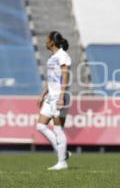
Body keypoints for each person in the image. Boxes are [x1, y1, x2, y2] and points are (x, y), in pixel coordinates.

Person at [36, 31, 72, 170]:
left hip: (59, 96)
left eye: (47, 39)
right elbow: (51, 79)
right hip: (50, 97)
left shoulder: (63, 56)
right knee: (40, 126)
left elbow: (65, 76)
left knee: (57, 129)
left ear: (52, 41)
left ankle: (62, 162)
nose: (45, 42)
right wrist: (42, 94)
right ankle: (62, 153)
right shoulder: (52, 57)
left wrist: (62, 96)